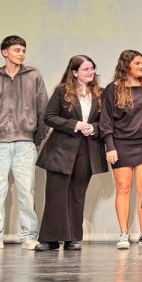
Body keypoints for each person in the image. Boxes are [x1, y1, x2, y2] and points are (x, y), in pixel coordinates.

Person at [0, 36, 49, 251]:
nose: (21, 53)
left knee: (26, 192)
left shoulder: (33, 76)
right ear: (5, 52)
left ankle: (29, 236)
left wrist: (36, 138)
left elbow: (43, 110)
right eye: (16, 50)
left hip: (25, 143)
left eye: (23, 50)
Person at [35, 55, 106, 251]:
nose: (91, 72)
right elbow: (49, 117)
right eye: (86, 69)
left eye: (92, 68)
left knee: (77, 194)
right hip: (61, 150)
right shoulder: (62, 91)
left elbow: (106, 122)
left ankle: (73, 238)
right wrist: (74, 125)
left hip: (87, 149)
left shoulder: (100, 93)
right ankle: (50, 239)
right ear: (74, 72)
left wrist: (93, 128)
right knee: (56, 194)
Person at [100, 50, 142, 249]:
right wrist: (110, 146)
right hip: (121, 144)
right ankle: (124, 233)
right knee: (123, 188)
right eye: (137, 63)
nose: (141, 67)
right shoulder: (112, 89)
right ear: (126, 65)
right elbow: (106, 121)